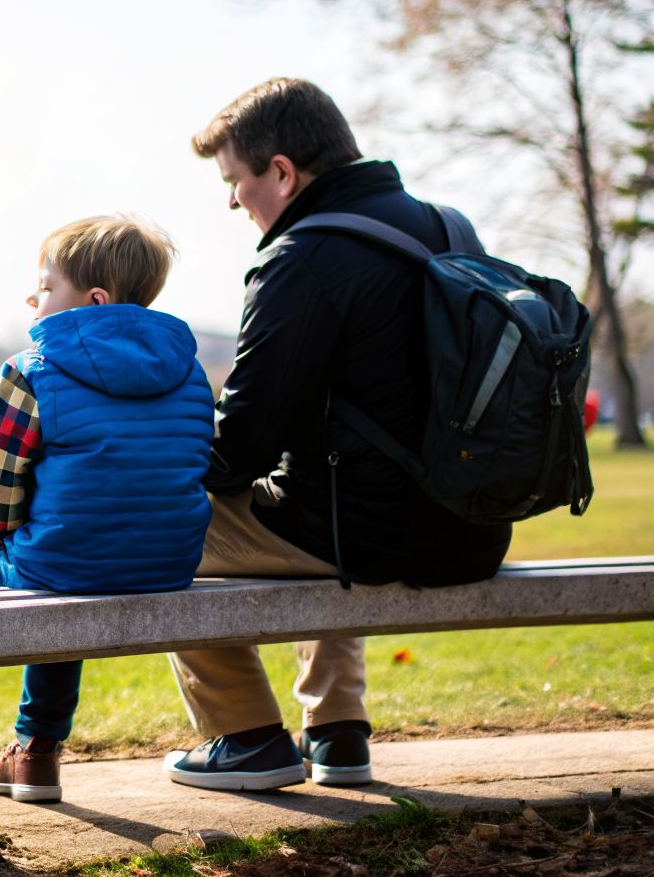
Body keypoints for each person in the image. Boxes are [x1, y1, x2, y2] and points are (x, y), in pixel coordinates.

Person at [162, 78, 511, 792]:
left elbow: (241, 448)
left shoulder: (300, 259)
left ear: (281, 172)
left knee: (157, 529)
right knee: (326, 485)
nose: (233, 202)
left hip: (376, 537)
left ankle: (246, 737)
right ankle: (337, 732)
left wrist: (159, 463)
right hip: (475, 527)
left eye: (234, 181)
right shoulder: (449, 228)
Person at [0, 213, 215, 804]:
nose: (34, 298)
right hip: (170, 565)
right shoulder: (190, 370)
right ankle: (32, 750)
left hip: (63, 565)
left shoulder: (29, 371)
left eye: (46, 286)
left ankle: (17, 750)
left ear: (95, 299)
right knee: (61, 561)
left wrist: (1, 539)